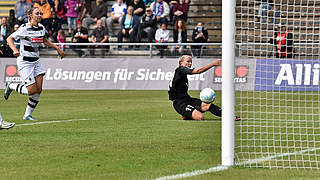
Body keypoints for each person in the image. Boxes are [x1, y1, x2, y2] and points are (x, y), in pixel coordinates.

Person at [5, 7, 65, 121]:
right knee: (31, 91)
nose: (40, 15)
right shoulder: (24, 28)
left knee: (39, 89)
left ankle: (27, 115)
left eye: (40, 13)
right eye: (37, 14)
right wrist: (15, 50)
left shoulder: (41, 27)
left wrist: (57, 48)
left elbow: (44, 40)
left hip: (36, 61)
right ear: (31, 16)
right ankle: (11, 85)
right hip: (25, 62)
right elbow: (9, 39)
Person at [168, 55, 241, 121]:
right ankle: (187, 114)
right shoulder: (180, 70)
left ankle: (230, 117)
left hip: (187, 99)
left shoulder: (181, 73)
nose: (190, 64)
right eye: (188, 61)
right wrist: (213, 64)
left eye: (191, 62)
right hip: (179, 103)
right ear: (181, 63)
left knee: (208, 105)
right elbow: (198, 71)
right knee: (200, 117)